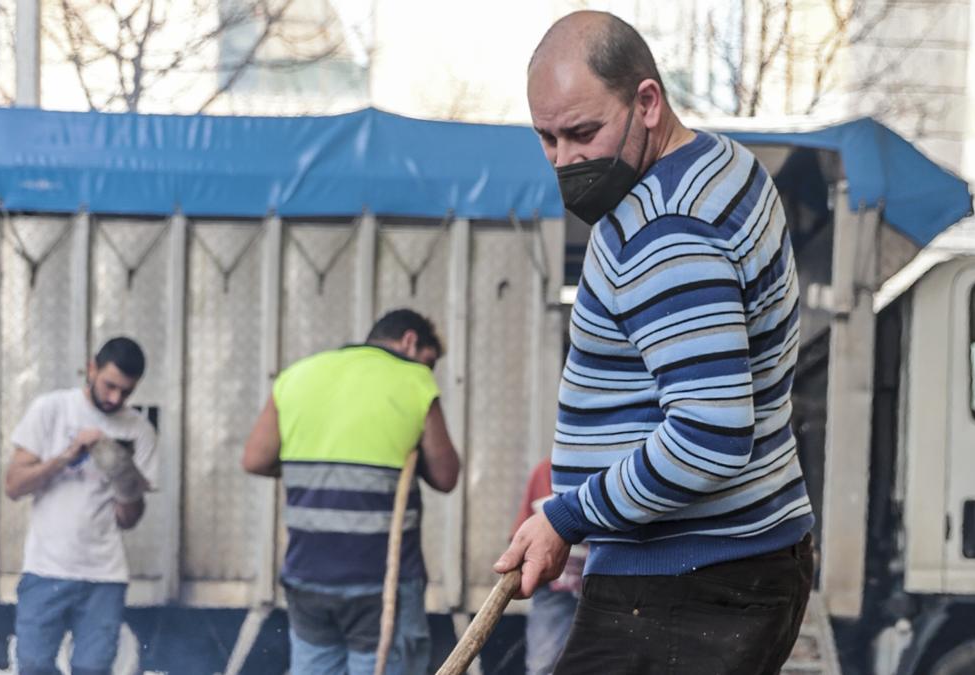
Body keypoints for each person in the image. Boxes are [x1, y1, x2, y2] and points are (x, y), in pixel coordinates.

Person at [495, 11, 815, 675]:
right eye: (546, 138)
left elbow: (709, 432)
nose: (564, 159)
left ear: (647, 102)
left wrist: (566, 516)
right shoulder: (728, 167)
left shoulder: (663, 229)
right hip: (745, 561)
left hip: (683, 583)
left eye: (583, 132)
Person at [242, 308, 461, 675]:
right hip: (380, 583)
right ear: (410, 341)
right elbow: (446, 476)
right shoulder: (414, 380)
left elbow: (254, 459)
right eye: (429, 361)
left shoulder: (296, 376)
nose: (428, 370)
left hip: (307, 576)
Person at [4, 337, 158, 675]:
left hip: (104, 574)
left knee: (93, 670)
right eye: (110, 386)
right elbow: (14, 486)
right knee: (32, 666)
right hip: (46, 569)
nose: (115, 398)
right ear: (91, 369)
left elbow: (129, 519)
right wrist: (65, 457)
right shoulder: (52, 409)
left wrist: (122, 473)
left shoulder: (139, 430)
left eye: (126, 392)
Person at [510, 459, 586, 675]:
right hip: (555, 590)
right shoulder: (545, 471)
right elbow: (521, 533)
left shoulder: (619, 470)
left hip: (604, 589)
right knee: (543, 664)